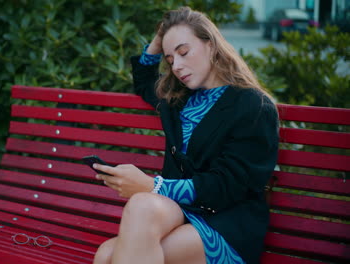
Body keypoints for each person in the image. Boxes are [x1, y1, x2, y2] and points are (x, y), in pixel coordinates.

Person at [92, 6, 279, 264]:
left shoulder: (253, 106)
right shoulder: (177, 99)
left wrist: (154, 186)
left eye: (183, 52)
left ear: (211, 45)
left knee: (110, 255)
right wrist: (161, 40)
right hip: (180, 211)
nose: (177, 66)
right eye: (170, 59)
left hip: (226, 222)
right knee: (114, 242)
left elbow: (228, 185)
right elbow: (144, 80)